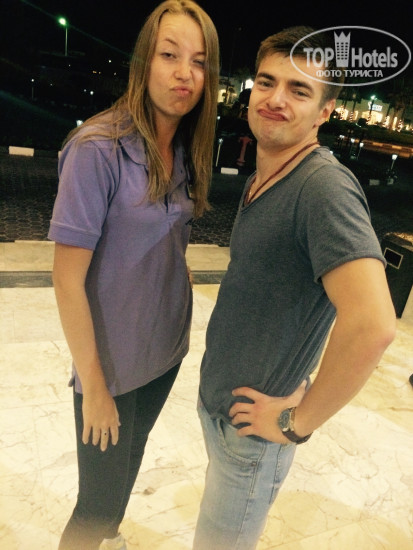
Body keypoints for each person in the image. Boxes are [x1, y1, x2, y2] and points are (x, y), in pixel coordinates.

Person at [193, 26, 396, 550]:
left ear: (325, 111)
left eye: (299, 90)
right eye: (266, 82)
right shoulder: (266, 173)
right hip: (224, 412)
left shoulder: (323, 188)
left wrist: (295, 423)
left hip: (253, 437)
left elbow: (373, 325)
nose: (276, 99)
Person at [47, 2, 219, 549]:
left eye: (198, 61)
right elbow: (66, 280)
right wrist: (94, 388)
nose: (184, 73)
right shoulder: (96, 150)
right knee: (94, 505)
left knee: (128, 466)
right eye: (169, 55)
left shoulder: (187, 148)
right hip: (110, 368)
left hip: (164, 353)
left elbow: (170, 239)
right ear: (144, 60)